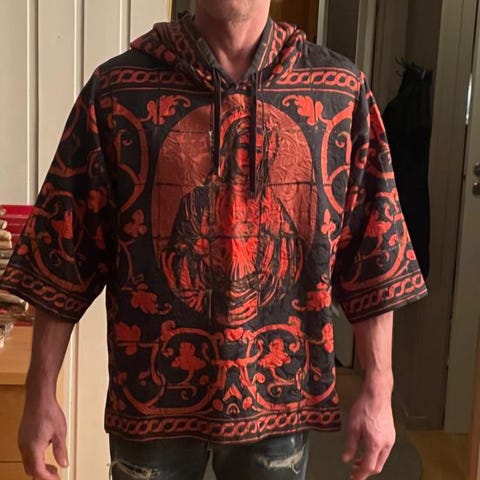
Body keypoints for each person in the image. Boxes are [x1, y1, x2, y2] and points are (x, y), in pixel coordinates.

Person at [0, 1, 428, 479]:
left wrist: (379, 388)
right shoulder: (117, 91)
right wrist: (40, 393)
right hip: (153, 401)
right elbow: (64, 250)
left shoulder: (339, 93)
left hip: (279, 404)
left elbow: (374, 251)